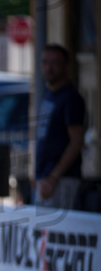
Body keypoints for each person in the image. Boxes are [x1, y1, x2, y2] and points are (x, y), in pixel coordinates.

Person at [34, 44, 86, 208]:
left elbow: (77, 141)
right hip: (44, 178)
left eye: (54, 63)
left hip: (61, 180)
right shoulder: (49, 92)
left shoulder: (70, 98)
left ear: (66, 66)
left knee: (54, 231)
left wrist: (53, 177)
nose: (49, 67)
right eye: (45, 62)